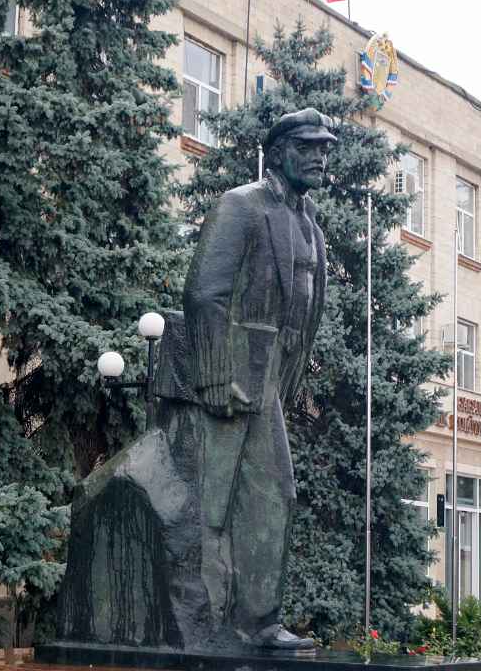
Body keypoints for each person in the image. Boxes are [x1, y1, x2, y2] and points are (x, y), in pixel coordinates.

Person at [183, 107, 336, 649]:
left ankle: (250, 621)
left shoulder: (309, 222)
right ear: (277, 153)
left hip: (270, 375)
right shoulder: (242, 206)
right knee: (224, 498)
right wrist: (217, 376)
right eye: (307, 147)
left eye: (324, 148)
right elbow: (205, 292)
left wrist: (292, 371)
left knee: (266, 496)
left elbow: (305, 305)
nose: (320, 156)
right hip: (233, 373)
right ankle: (226, 621)